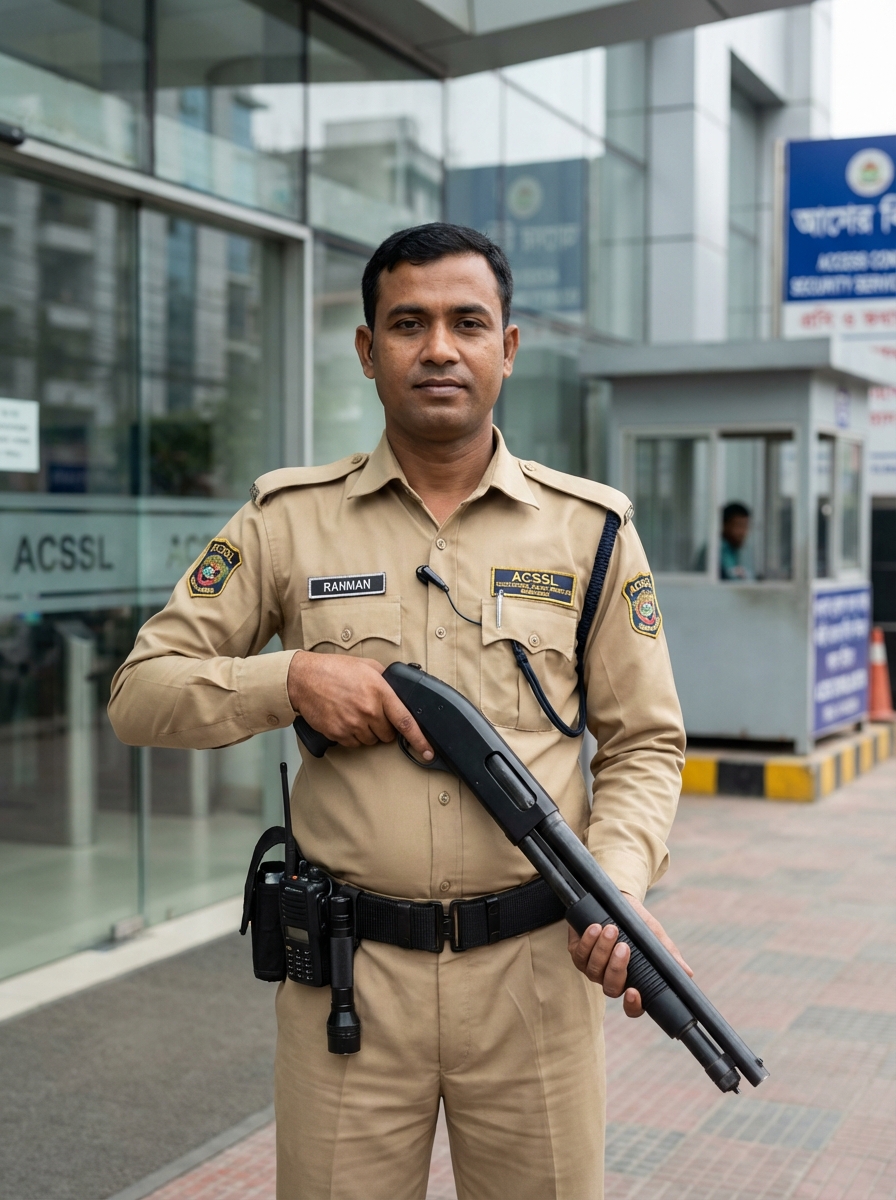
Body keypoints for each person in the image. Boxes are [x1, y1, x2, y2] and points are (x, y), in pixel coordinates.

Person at [108, 223, 687, 1200]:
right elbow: (140, 692)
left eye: (467, 323)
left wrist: (618, 882)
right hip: (346, 979)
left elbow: (643, 742)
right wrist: (287, 678)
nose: (438, 348)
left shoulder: (588, 531)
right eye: (407, 323)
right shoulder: (286, 519)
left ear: (506, 348)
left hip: (535, 979)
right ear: (367, 350)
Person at [720, 501, 753, 580]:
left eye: (746, 527)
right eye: (739, 526)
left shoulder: (738, 550)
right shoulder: (716, 551)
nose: (743, 532)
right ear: (724, 525)